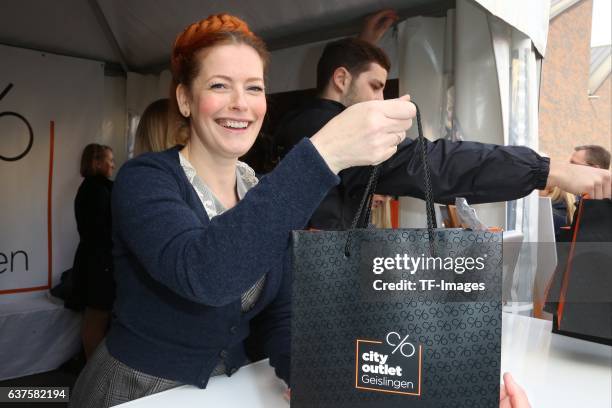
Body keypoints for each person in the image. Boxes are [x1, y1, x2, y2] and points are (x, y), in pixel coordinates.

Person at [68, 14, 417, 407]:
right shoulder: (145, 180)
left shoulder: (264, 191)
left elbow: (280, 313)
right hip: (139, 391)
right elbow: (205, 274)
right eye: (219, 85)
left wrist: (305, 375)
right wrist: (323, 155)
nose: (241, 104)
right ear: (185, 99)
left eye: (254, 88)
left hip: (230, 389)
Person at [275, 34, 612, 230]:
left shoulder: (299, 125)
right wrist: (549, 170)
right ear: (341, 79)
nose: (380, 99)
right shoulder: (337, 133)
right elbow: (435, 163)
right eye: (375, 87)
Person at [71, 143, 115, 359]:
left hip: (97, 261)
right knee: (96, 319)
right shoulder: (96, 190)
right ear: (97, 162)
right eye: (110, 160)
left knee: (96, 318)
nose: (113, 165)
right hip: (99, 264)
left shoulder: (93, 188)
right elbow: (101, 231)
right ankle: (92, 376)